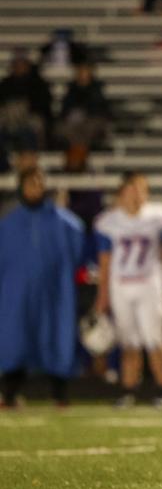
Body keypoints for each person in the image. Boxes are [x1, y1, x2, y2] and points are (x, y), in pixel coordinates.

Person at [0, 167, 84, 408]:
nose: (35, 189)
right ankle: (9, 393)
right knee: (16, 341)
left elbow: (77, 252)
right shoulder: (9, 223)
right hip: (17, 294)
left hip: (53, 293)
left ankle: (60, 394)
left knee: (55, 339)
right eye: (30, 184)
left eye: (38, 183)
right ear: (21, 188)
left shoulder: (64, 222)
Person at [93, 172, 162, 408]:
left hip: (149, 284)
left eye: (141, 190)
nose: (137, 195)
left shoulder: (159, 216)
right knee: (128, 341)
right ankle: (129, 389)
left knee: (155, 338)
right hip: (121, 285)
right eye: (132, 190)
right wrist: (102, 295)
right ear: (121, 194)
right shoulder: (108, 221)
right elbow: (105, 261)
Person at [58, 62, 110, 151]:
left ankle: (81, 152)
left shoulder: (96, 88)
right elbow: (66, 108)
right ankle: (77, 152)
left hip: (92, 118)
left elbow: (100, 108)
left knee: (89, 127)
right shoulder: (72, 88)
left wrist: (85, 113)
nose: (83, 75)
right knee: (66, 128)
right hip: (74, 120)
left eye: (85, 72)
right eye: (81, 72)